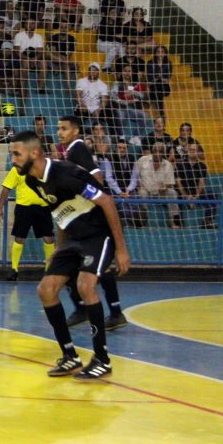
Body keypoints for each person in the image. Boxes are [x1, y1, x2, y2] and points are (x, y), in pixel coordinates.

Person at [8, 131, 130, 381]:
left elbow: (107, 202)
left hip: (97, 235)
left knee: (86, 286)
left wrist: (121, 249)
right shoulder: (33, 181)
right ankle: (70, 356)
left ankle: (102, 360)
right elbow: (61, 214)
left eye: (16, 154)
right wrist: (57, 251)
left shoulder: (65, 174)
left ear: (34, 153)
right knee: (46, 289)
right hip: (73, 239)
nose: (13, 160)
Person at [58, 115, 127, 330]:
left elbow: (97, 178)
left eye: (64, 129)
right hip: (85, 219)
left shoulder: (77, 147)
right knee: (95, 266)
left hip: (93, 218)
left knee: (72, 261)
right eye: (58, 128)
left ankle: (88, 309)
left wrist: (80, 194)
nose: (60, 132)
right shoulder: (72, 150)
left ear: (76, 132)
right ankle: (109, 312)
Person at [0, 163, 55, 281]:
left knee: (49, 238)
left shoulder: (44, 167)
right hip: (24, 208)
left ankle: (49, 270)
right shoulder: (17, 169)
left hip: (43, 208)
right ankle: (14, 269)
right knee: (19, 237)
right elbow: (6, 188)